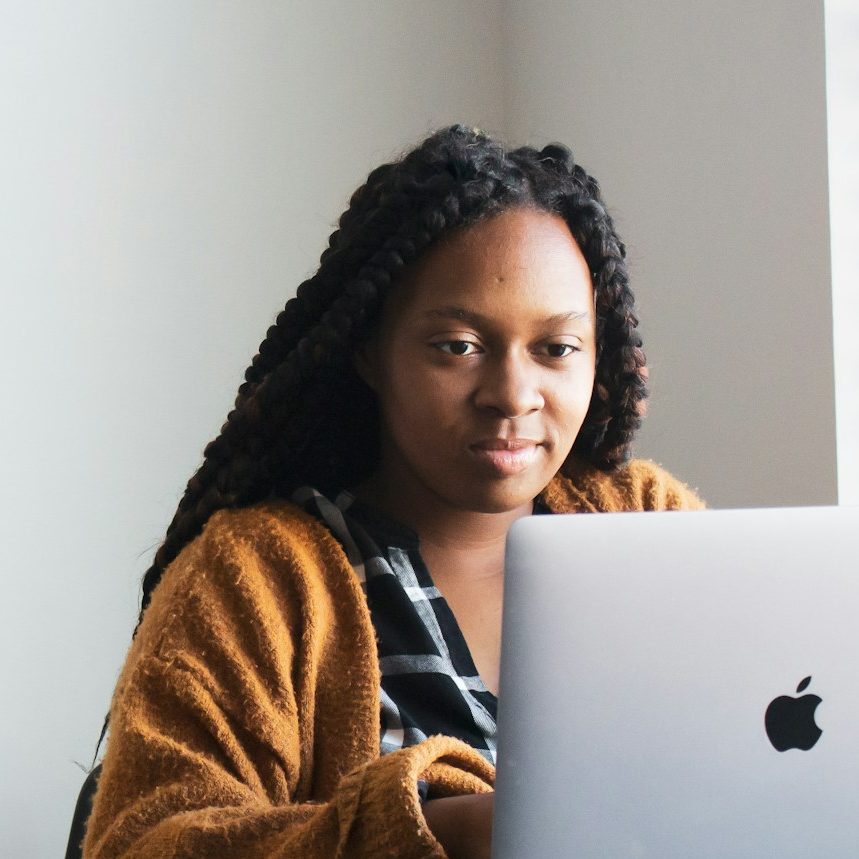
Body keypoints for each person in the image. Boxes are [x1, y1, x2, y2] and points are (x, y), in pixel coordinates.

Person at [81, 124, 703, 859]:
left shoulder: (644, 525)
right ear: (370, 351)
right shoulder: (255, 578)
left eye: (555, 348)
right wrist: (435, 833)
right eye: (457, 346)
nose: (512, 393)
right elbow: (143, 844)